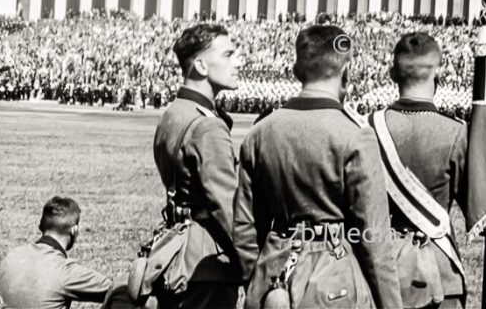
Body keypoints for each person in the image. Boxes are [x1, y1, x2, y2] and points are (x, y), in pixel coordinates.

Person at [233, 25, 403, 309]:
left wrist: (258, 277)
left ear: (296, 71)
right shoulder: (355, 134)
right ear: (346, 72)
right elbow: (375, 239)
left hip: (272, 279)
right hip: (335, 282)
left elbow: (244, 228)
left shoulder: (260, 132)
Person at [365, 33, 467, 308]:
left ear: (391, 74)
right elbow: (476, 210)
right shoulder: (456, 132)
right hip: (438, 273)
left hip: (380, 270)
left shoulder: (367, 128)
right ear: (439, 75)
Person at [152, 23, 243, 308]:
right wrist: (256, 264)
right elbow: (228, 209)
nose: (238, 61)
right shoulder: (207, 125)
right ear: (201, 66)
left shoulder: (174, 112)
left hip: (176, 245)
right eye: (228, 55)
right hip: (207, 262)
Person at [0, 197, 112, 308]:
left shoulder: (12, 256)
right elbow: (118, 289)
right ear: (74, 230)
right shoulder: (65, 272)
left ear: (41, 225)